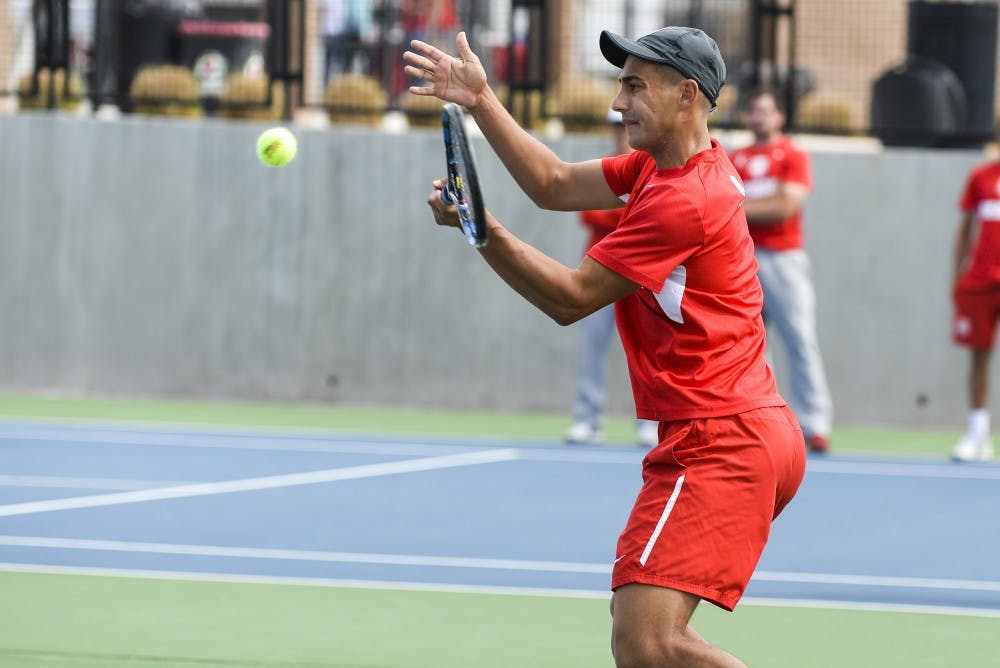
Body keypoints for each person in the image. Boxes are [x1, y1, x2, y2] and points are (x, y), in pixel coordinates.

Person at [405, 26, 806, 667]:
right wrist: (481, 100)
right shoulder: (668, 165)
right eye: (622, 84)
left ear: (687, 95)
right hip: (733, 430)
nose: (618, 103)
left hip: (722, 439)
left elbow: (570, 297)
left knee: (650, 644)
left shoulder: (685, 199)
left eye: (635, 86)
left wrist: (481, 228)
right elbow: (556, 184)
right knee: (646, 640)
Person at [729, 89, 834, 454]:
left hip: (783, 259)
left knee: (800, 340)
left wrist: (736, 208)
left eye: (766, 111)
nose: (759, 117)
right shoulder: (735, 158)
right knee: (750, 347)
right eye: (754, 111)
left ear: (780, 116)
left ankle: (815, 424)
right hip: (742, 261)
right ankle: (762, 423)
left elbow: (785, 206)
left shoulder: (792, 154)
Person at [566, 109, 659, 448]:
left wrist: (627, 215)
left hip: (639, 276)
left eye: (624, 125)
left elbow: (653, 216)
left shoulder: (651, 168)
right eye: (614, 127)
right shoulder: (605, 168)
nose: (620, 132)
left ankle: (650, 425)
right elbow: (590, 214)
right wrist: (631, 213)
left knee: (648, 350)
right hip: (598, 273)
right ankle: (587, 419)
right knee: (592, 348)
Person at [950, 158, 1000, 462]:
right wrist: (958, 278)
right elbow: (965, 231)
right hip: (980, 283)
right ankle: (978, 432)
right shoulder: (980, 176)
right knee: (979, 357)